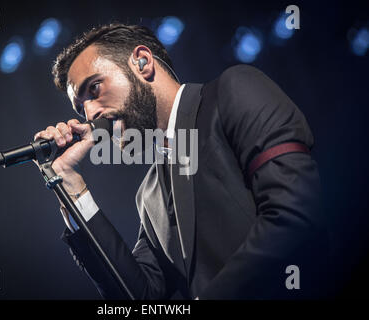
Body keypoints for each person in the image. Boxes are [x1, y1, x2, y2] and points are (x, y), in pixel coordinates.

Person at [33, 23, 329, 299]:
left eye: (94, 88)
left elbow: (295, 215)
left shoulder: (234, 91)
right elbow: (140, 296)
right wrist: (68, 182)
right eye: (80, 106)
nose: (90, 114)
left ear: (142, 62)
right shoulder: (149, 193)